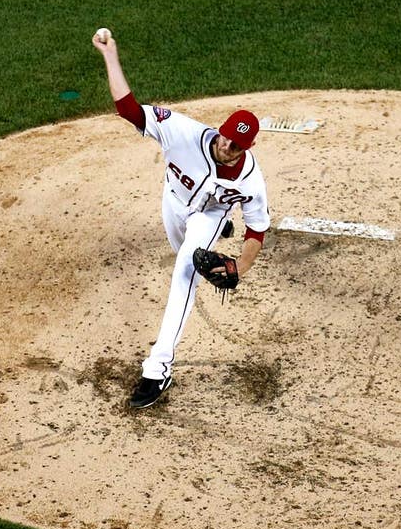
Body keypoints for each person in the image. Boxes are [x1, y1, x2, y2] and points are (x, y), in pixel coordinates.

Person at [92, 29, 271, 408]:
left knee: (185, 273)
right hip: (172, 202)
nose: (226, 145)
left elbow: (257, 228)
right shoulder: (182, 132)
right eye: (225, 137)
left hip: (207, 214)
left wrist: (241, 265)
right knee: (182, 251)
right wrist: (111, 56)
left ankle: (158, 368)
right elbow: (129, 110)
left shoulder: (251, 180)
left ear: (247, 148)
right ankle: (210, 233)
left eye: (236, 144)